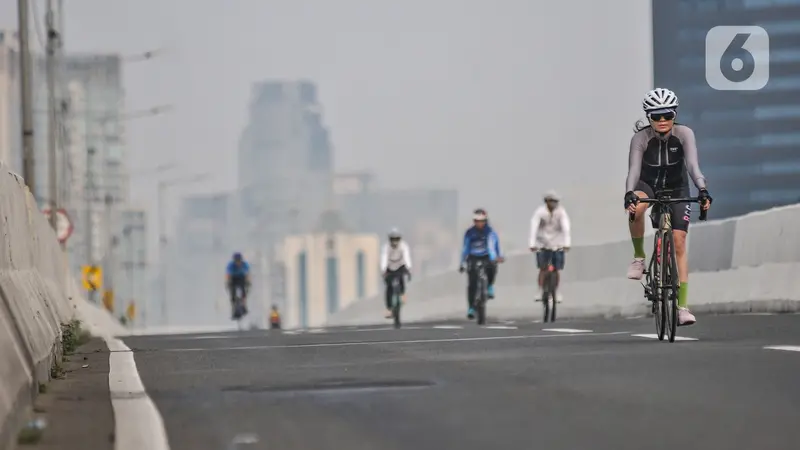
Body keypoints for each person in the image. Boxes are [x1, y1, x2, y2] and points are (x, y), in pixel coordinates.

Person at [624, 88, 713, 327]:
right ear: (648, 117)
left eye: (667, 115)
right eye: (656, 116)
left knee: (679, 242)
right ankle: (639, 257)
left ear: (674, 114)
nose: (662, 121)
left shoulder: (684, 134)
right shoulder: (641, 138)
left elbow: (693, 166)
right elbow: (633, 170)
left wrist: (702, 189)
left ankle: (682, 307)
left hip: (677, 188)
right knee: (637, 208)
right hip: (648, 185)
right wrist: (630, 194)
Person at [459, 208, 503, 319]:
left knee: (492, 267)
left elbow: (494, 246)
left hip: (486, 256)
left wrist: (499, 257)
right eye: (477, 221)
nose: (479, 223)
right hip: (473, 257)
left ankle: (489, 286)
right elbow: (465, 248)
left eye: (482, 221)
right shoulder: (469, 233)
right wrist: (462, 263)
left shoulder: (490, 232)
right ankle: (471, 308)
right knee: (472, 283)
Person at [529, 190, 571, 303]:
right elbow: (534, 226)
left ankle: (556, 291)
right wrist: (532, 243)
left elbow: (566, 228)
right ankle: (540, 290)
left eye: (555, 201)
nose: (553, 204)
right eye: (551, 201)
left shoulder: (561, 212)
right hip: (542, 243)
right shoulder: (540, 212)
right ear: (546, 201)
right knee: (543, 269)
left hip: (557, 244)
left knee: (556, 269)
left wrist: (567, 244)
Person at [380, 228, 412, 319]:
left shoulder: (403, 246)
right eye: (392, 240)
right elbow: (384, 259)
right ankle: (389, 308)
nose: (395, 242)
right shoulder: (386, 247)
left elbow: (407, 257)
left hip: (400, 265)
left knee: (401, 279)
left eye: (396, 239)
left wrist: (409, 269)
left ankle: (402, 294)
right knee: (389, 287)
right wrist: (383, 271)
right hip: (389, 267)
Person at [225, 252, 251, 319]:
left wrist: (248, 282)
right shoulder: (230, 265)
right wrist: (228, 282)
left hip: (241, 278)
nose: (238, 263)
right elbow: (228, 275)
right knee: (232, 293)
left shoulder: (245, 264)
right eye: (236, 261)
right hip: (233, 278)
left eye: (239, 261)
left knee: (243, 291)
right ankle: (233, 307)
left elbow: (247, 274)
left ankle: (244, 305)